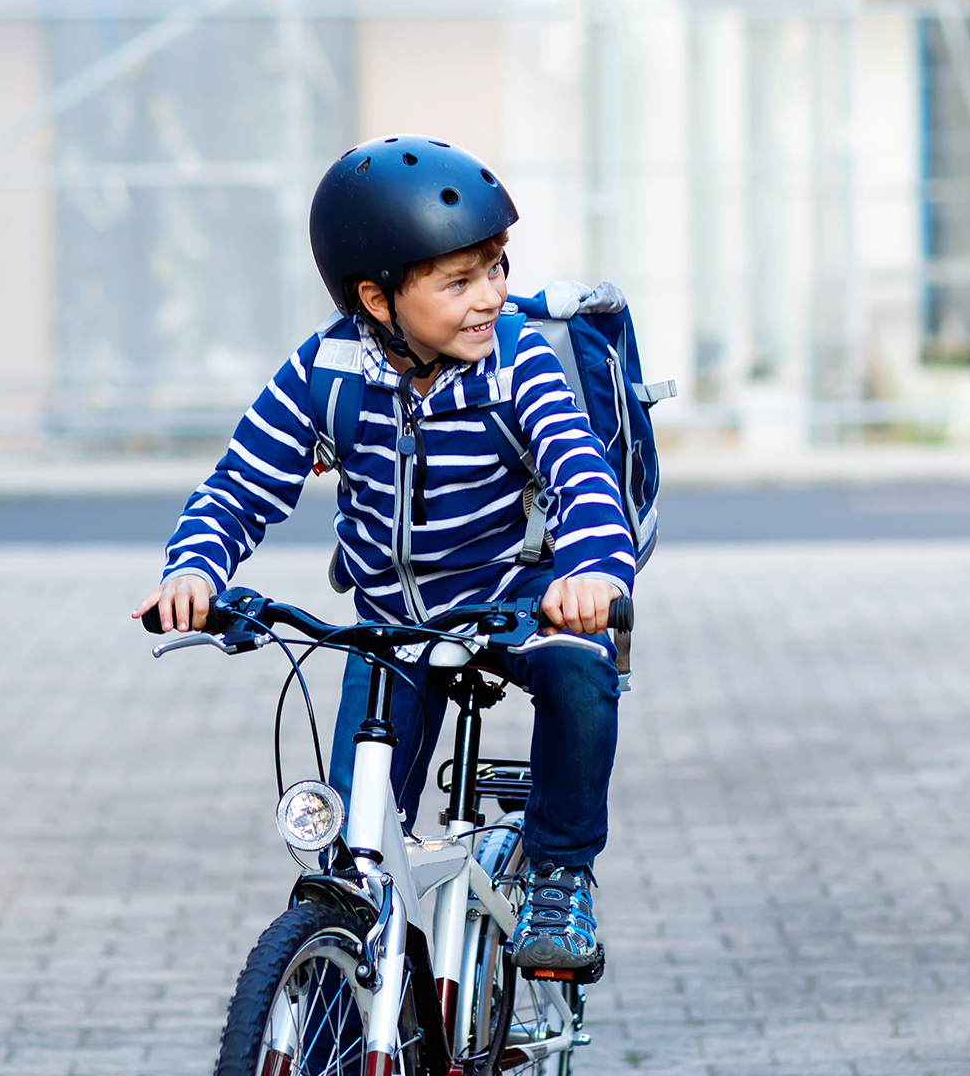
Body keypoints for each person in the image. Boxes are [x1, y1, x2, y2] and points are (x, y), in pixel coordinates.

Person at [133, 136, 636, 974]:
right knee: (354, 862)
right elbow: (238, 487)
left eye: (497, 270)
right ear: (376, 296)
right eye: (458, 281)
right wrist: (194, 570)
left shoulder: (519, 366)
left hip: (512, 598)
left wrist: (591, 573)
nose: (490, 298)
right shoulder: (322, 373)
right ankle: (331, 1054)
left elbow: (581, 477)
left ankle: (559, 872)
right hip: (391, 624)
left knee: (581, 667)